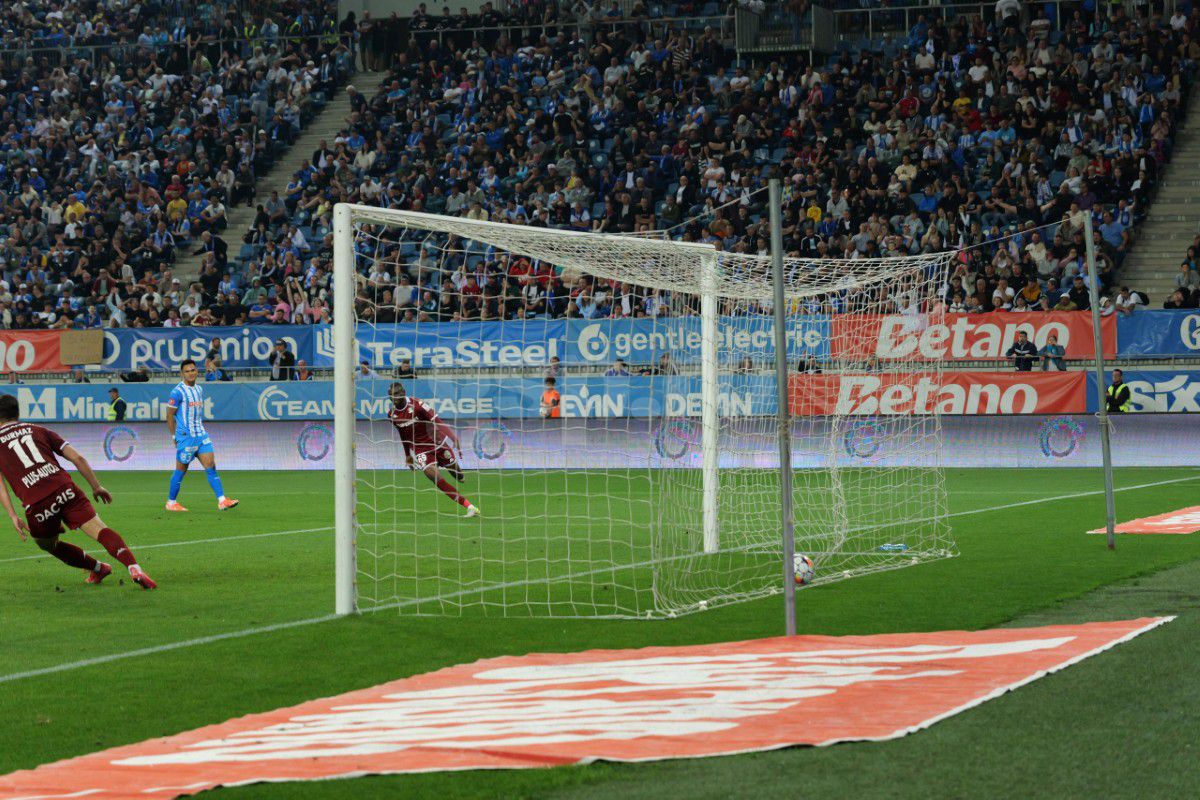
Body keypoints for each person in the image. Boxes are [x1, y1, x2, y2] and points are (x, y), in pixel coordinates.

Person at [0, 394, 155, 589]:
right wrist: (96, 486)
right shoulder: (39, 430)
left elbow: (1, 484)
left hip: (38, 503)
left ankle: (98, 568)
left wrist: (13, 515)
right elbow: (78, 458)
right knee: (101, 530)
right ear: (18, 412)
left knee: (48, 544)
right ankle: (135, 568)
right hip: (64, 488)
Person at [387, 382, 478, 517]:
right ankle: (470, 507)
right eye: (391, 396)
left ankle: (460, 475)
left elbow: (438, 421)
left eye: (396, 395)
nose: (394, 398)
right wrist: (408, 455)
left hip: (438, 443)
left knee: (457, 475)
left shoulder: (418, 405)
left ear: (403, 393)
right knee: (435, 477)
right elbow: (403, 434)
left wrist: (453, 438)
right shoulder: (392, 415)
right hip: (420, 450)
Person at [164, 359, 239, 512]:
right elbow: (169, 415)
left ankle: (222, 500)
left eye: (193, 370)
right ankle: (171, 502)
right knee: (181, 470)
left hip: (201, 435)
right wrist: (174, 437)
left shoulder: (199, 389)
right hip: (186, 438)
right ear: (182, 374)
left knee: (211, 466)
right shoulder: (177, 392)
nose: (191, 373)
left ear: (197, 371)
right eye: (187, 371)